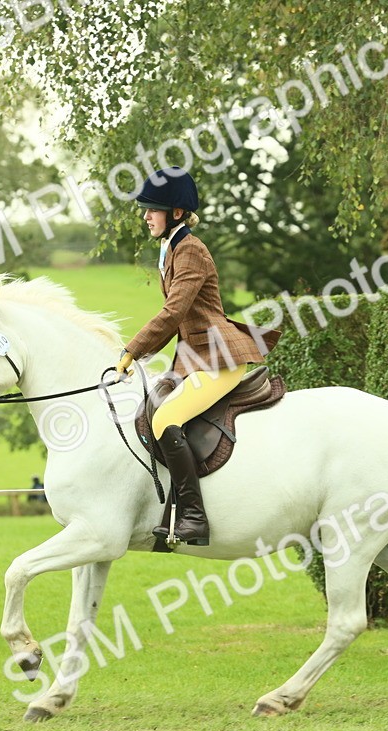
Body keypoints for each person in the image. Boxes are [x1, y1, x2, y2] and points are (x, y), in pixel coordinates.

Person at [114, 168, 281, 546]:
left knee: (168, 418)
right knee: (154, 409)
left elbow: (173, 312)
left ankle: (193, 516)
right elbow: (179, 319)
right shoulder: (171, 248)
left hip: (219, 357)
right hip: (194, 357)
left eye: (152, 209)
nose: (145, 216)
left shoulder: (189, 249)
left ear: (175, 212)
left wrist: (132, 349)